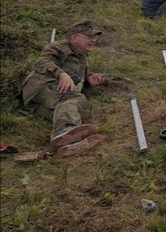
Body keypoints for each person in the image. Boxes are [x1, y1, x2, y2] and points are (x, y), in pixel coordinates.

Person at [21, 20, 107, 157]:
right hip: (41, 84)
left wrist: (89, 79)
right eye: (89, 37)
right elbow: (41, 62)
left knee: (74, 111)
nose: (93, 40)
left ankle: (69, 146)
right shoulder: (59, 47)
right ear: (74, 38)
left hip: (45, 101)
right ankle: (64, 131)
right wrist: (61, 74)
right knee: (74, 99)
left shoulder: (82, 58)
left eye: (94, 37)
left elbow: (75, 81)